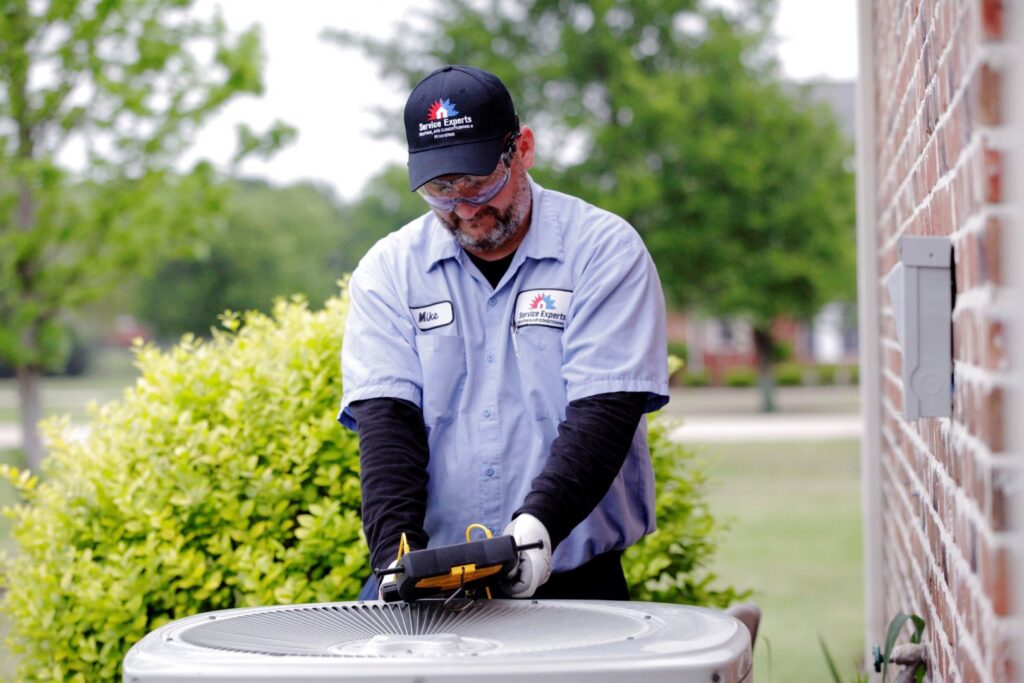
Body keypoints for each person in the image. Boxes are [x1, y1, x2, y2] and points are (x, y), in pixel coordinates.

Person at [338, 65, 669, 600]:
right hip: (431, 583)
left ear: (524, 149)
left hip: (571, 580)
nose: (465, 208)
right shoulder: (389, 271)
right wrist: (395, 559)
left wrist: (535, 533)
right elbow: (387, 425)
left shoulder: (604, 252)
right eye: (441, 189)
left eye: (478, 180)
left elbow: (604, 409)